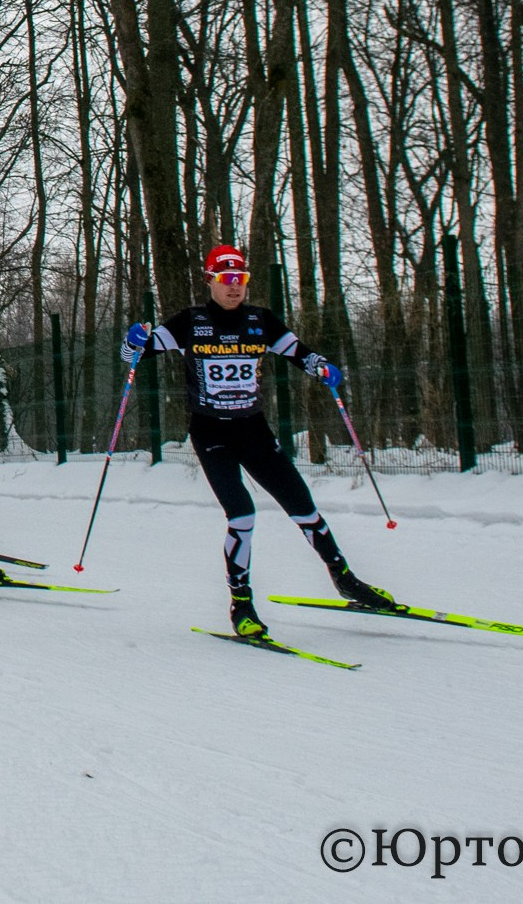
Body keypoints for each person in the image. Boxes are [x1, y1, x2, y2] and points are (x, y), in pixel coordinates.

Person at [124, 243, 396, 639]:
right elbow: (133, 355)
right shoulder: (190, 322)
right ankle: (242, 606)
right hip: (211, 431)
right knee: (242, 515)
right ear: (211, 281)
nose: (234, 287)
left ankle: (345, 579)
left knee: (303, 507)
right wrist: (133, 339)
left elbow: (300, 353)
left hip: (253, 429)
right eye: (226, 279)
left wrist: (323, 368)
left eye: (241, 280)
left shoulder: (260, 321)